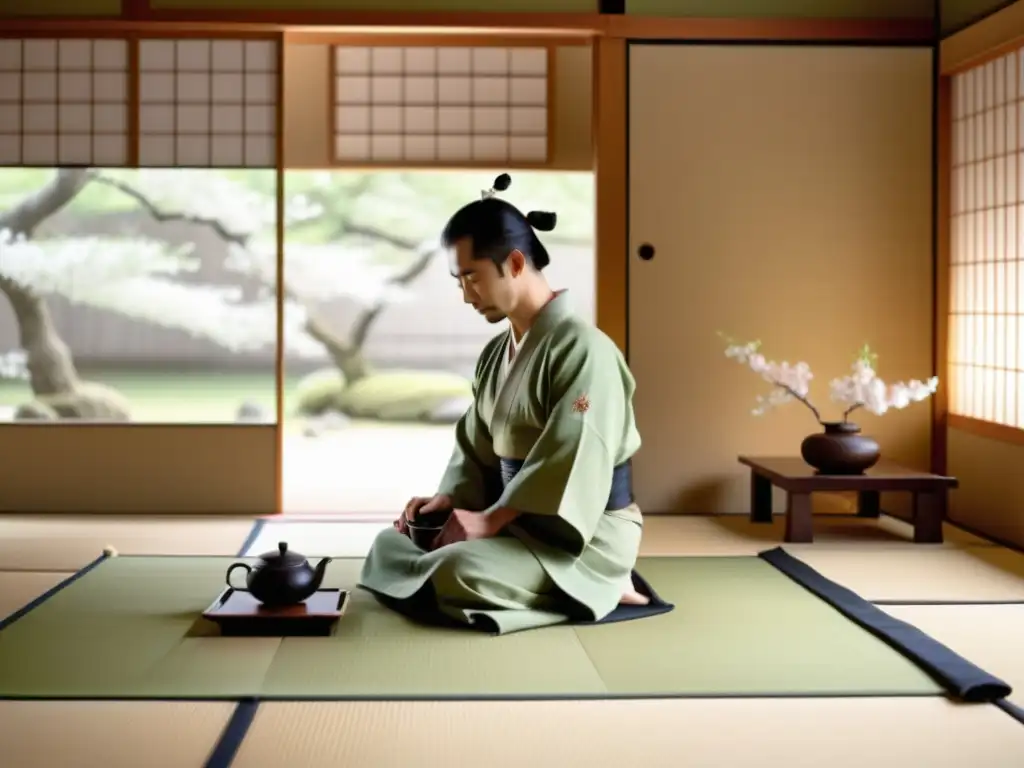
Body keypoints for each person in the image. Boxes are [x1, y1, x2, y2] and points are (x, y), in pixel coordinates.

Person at [358, 173, 648, 635]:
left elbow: (573, 454)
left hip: (583, 534)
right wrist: (446, 502)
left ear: (514, 263)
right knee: (387, 547)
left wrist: (492, 518)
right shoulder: (497, 353)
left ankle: (602, 583)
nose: (466, 295)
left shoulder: (585, 349)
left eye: (472, 278)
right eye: (459, 281)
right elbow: (474, 448)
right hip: (515, 524)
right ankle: (558, 587)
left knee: (460, 571)